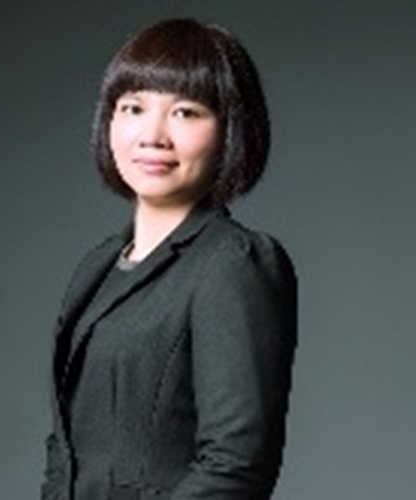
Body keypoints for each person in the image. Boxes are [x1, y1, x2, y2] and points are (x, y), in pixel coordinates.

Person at [41, 18, 297, 500]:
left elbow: (236, 466)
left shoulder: (233, 263)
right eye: (133, 107)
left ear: (231, 130)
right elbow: (65, 454)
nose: (152, 135)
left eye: (185, 112)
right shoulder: (97, 268)